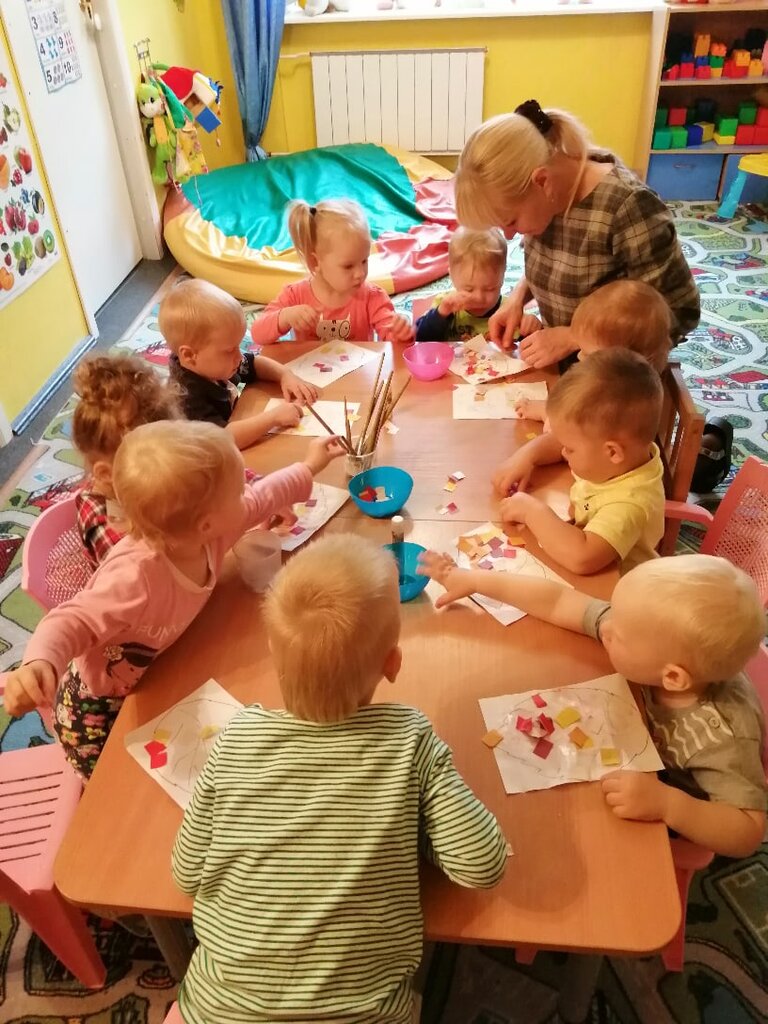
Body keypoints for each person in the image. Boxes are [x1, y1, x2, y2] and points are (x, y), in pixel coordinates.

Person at [172, 534, 507, 1024]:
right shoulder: (408, 738)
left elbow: (185, 873)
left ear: (272, 654)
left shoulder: (237, 737)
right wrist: (417, 831)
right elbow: (482, 864)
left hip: (219, 1012)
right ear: (392, 665)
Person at [2, 420, 343, 778]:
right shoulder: (135, 576)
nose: (247, 491)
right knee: (122, 786)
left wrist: (309, 465)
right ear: (206, 524)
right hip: (96, 708)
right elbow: (72, 620)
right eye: (238, 489)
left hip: (156, 673)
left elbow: (264, 497)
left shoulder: (208, 529)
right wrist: (40, 662)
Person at [418, 551, 767, 859]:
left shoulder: (721, 735)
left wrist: (669, 804)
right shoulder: (649, 638)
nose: (606, 627)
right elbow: (558, 601)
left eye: (619, 635)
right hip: (636, 754)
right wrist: (473, 580)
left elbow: (749, 831)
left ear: (673, 677)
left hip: (673, 812)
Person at [454, 101, 700, 368]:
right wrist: (516, 299)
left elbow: (678, 312)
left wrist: (573, 337)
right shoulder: (547, 199)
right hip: (563, 361)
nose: (510, 236)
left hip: (614, 373)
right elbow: (556, 264)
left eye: (511, 222)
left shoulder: (627, 208)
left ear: (542, 182)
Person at [500, 349, 665, 575]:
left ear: (612, 452)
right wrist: (527, 456)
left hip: (617, 587)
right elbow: (566, 441)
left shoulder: (629, 505)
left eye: (570, 449)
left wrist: (531, 511)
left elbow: (582, 557)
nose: (563, 452)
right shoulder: (618, 458)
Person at [160, 278, 318, 451]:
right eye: (229, 350)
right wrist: (273, 418)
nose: (239, 355)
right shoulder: (185, 399)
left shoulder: (211, 364)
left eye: (238, 345)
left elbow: (254, 363)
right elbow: (225, 438)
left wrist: (285, 375)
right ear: (190, 355)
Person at [250, 199, 414, 345]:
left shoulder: (372, 297)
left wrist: (400, 335)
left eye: (364, 261)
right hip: (308, 370)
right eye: (348, 266)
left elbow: (394, 343)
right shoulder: (294, 295)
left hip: (359, 370)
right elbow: (258, 334)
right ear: (315, 262)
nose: (360, 273)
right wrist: (285, 316)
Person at [71, 353, 182, 565]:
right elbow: (147, 570)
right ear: (107, 473)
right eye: (154, 467)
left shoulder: (153, 475)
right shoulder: (100, 519)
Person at [514, 279, 672, 422]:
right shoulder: (623, 384)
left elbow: (569, 431)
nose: (579, 356)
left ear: (626, 364)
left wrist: (548, 415)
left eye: (588, 354)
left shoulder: (616, 406)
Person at [415, 227, 507, 341]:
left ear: (502, 277)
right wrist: (441, 313)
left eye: (490, 289)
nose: (479, 298)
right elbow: (420, 338)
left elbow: (523, 344)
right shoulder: (446, 305)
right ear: (452, 278)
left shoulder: (509, 310)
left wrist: (527, 329)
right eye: (469, 289)